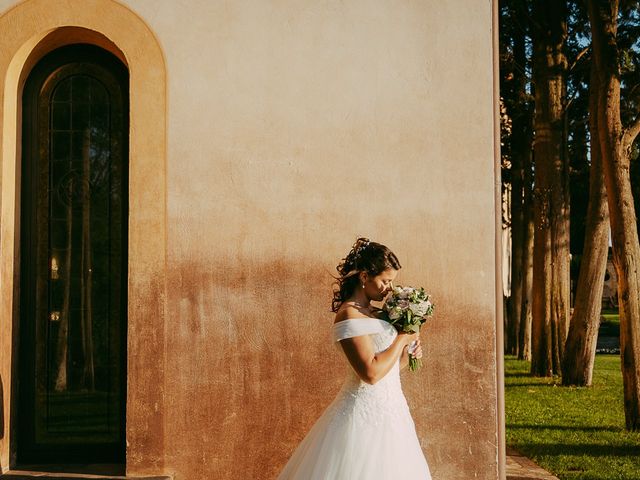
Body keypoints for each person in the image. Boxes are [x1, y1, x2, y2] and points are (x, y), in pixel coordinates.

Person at [277, 238, 432, 479]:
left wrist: (406, 352)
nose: (389, 289)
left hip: (393, 414)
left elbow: (387, 371)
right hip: (361, 421)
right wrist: (401, 338)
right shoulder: (349, 316)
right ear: (364, 277)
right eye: (385, 281)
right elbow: (370, 374)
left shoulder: (378, 313)